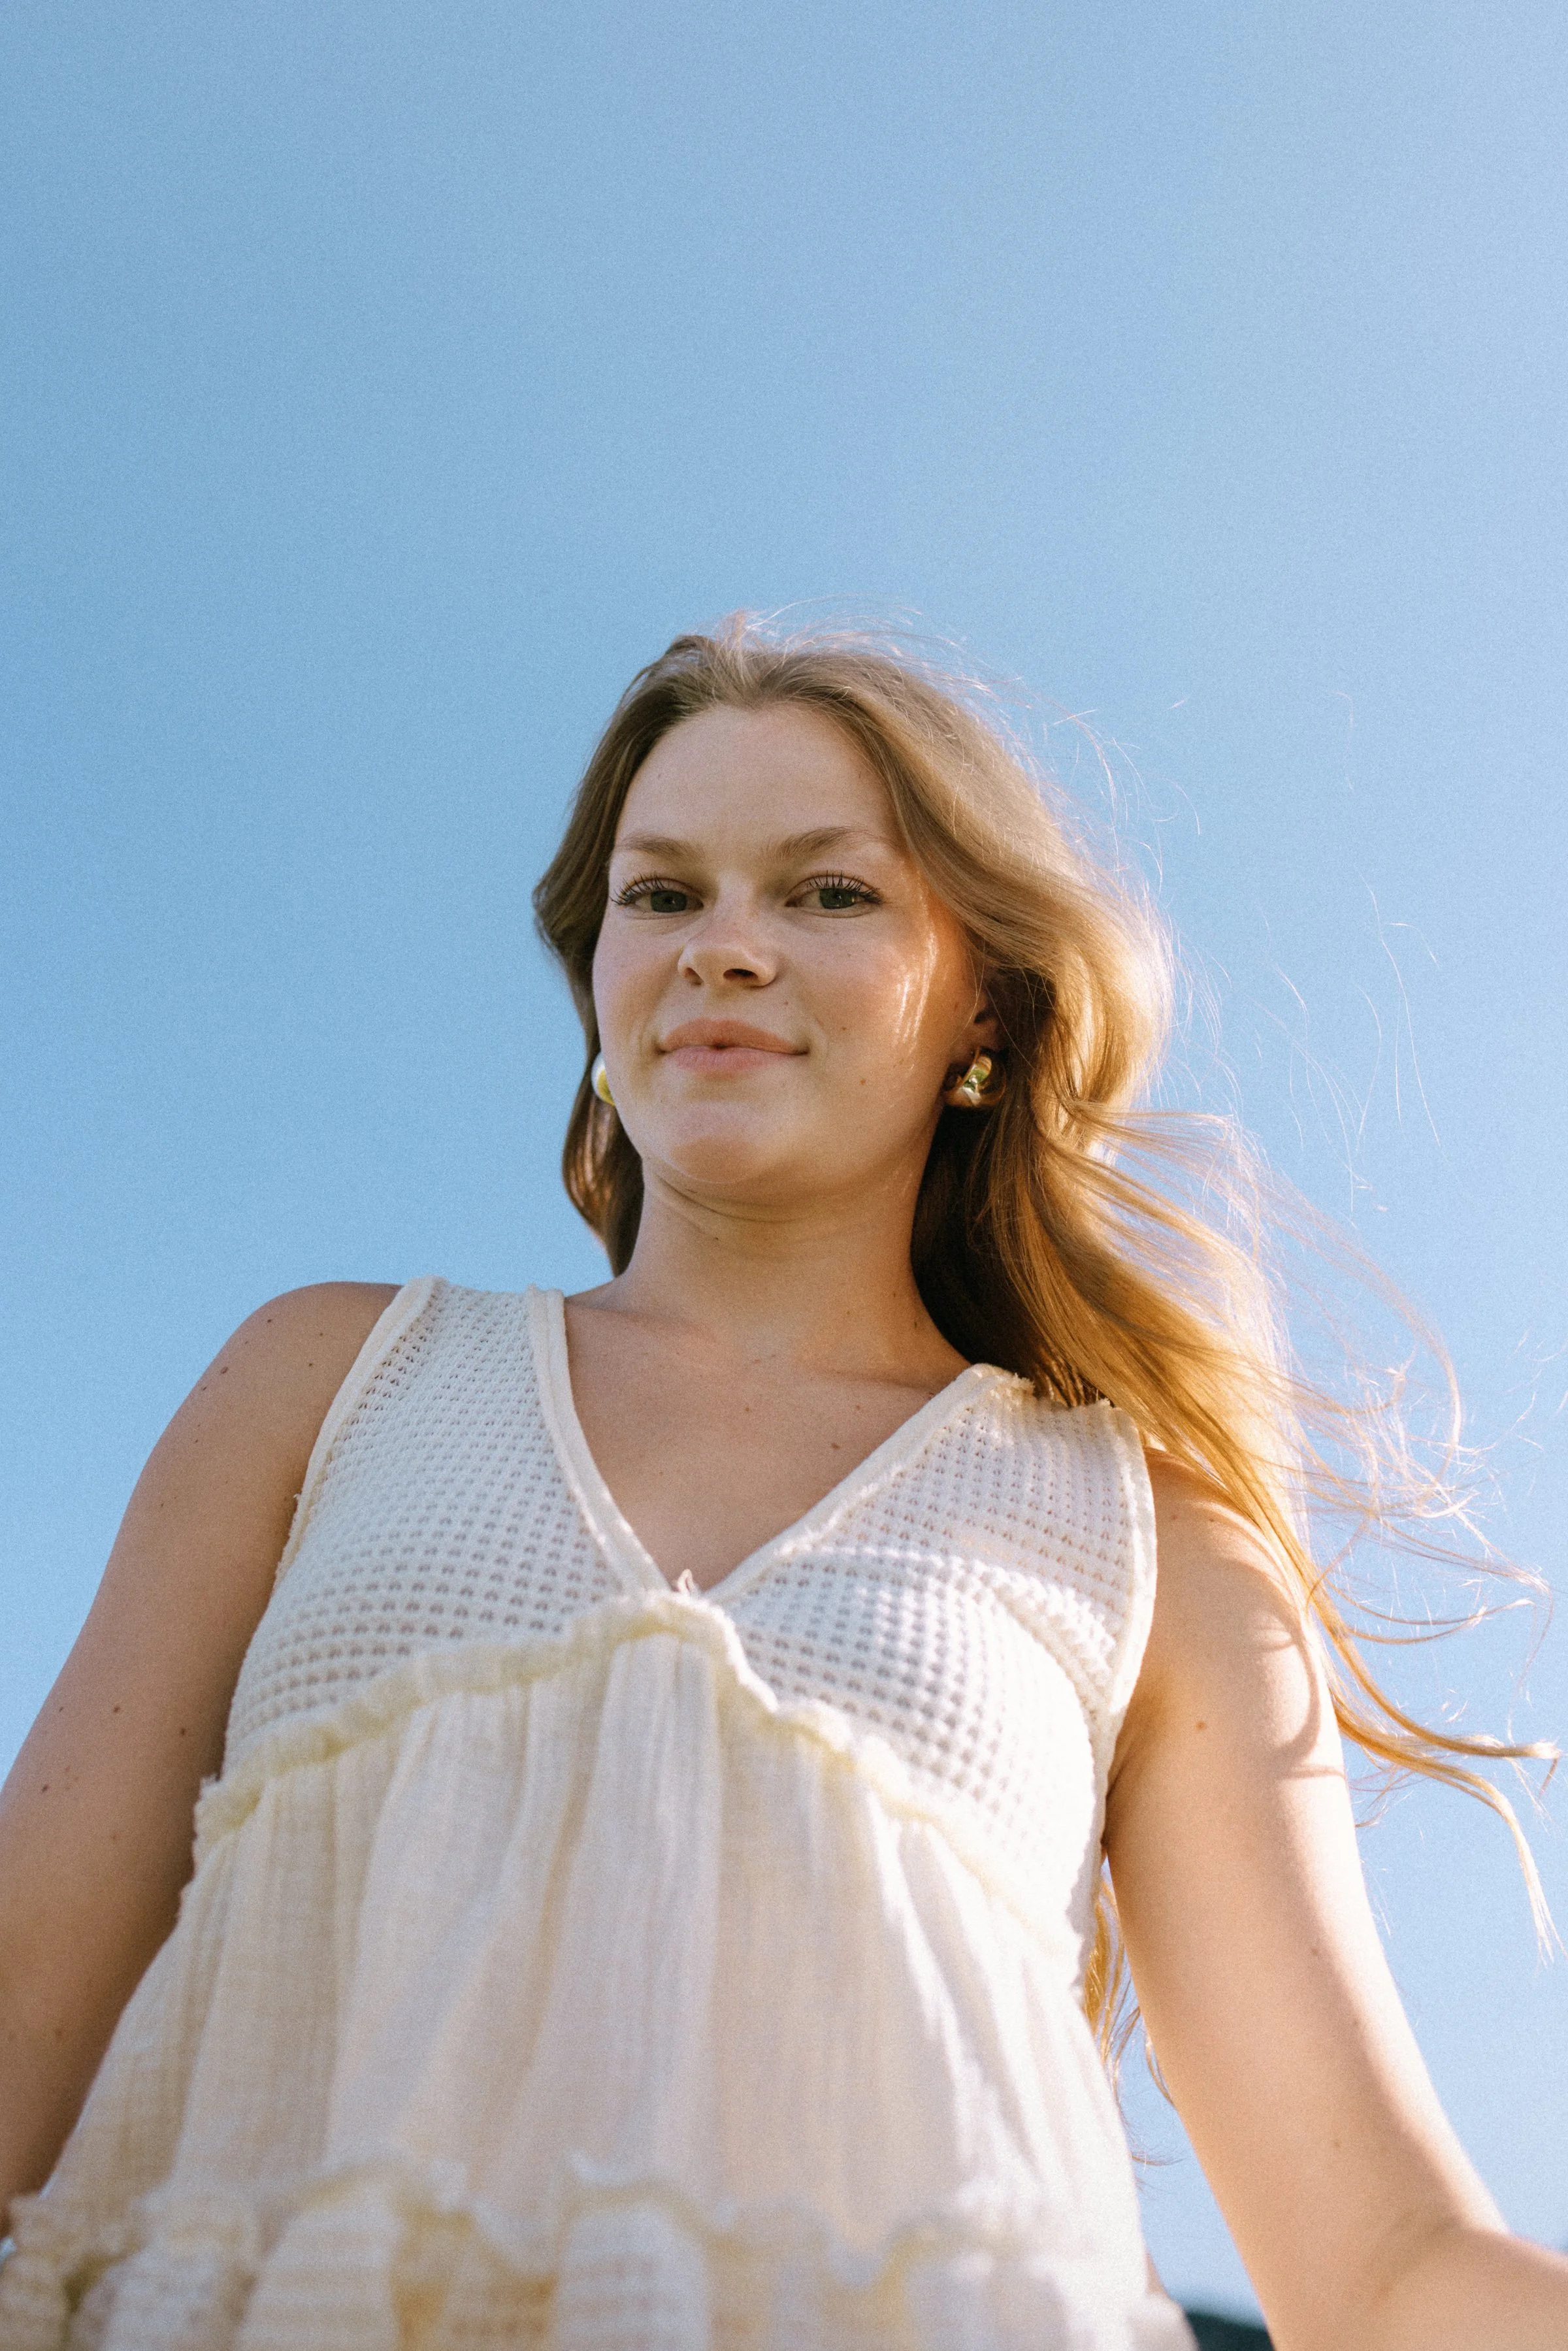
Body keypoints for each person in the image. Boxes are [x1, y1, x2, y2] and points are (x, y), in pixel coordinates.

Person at [0, 621, 1563, 2351]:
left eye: (828, 895)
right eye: (663, 894)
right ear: (598, 977)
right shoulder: (325, 1384)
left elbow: (1380, 2267)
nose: (723, 948)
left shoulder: (1148, 1537)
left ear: (984, 995)